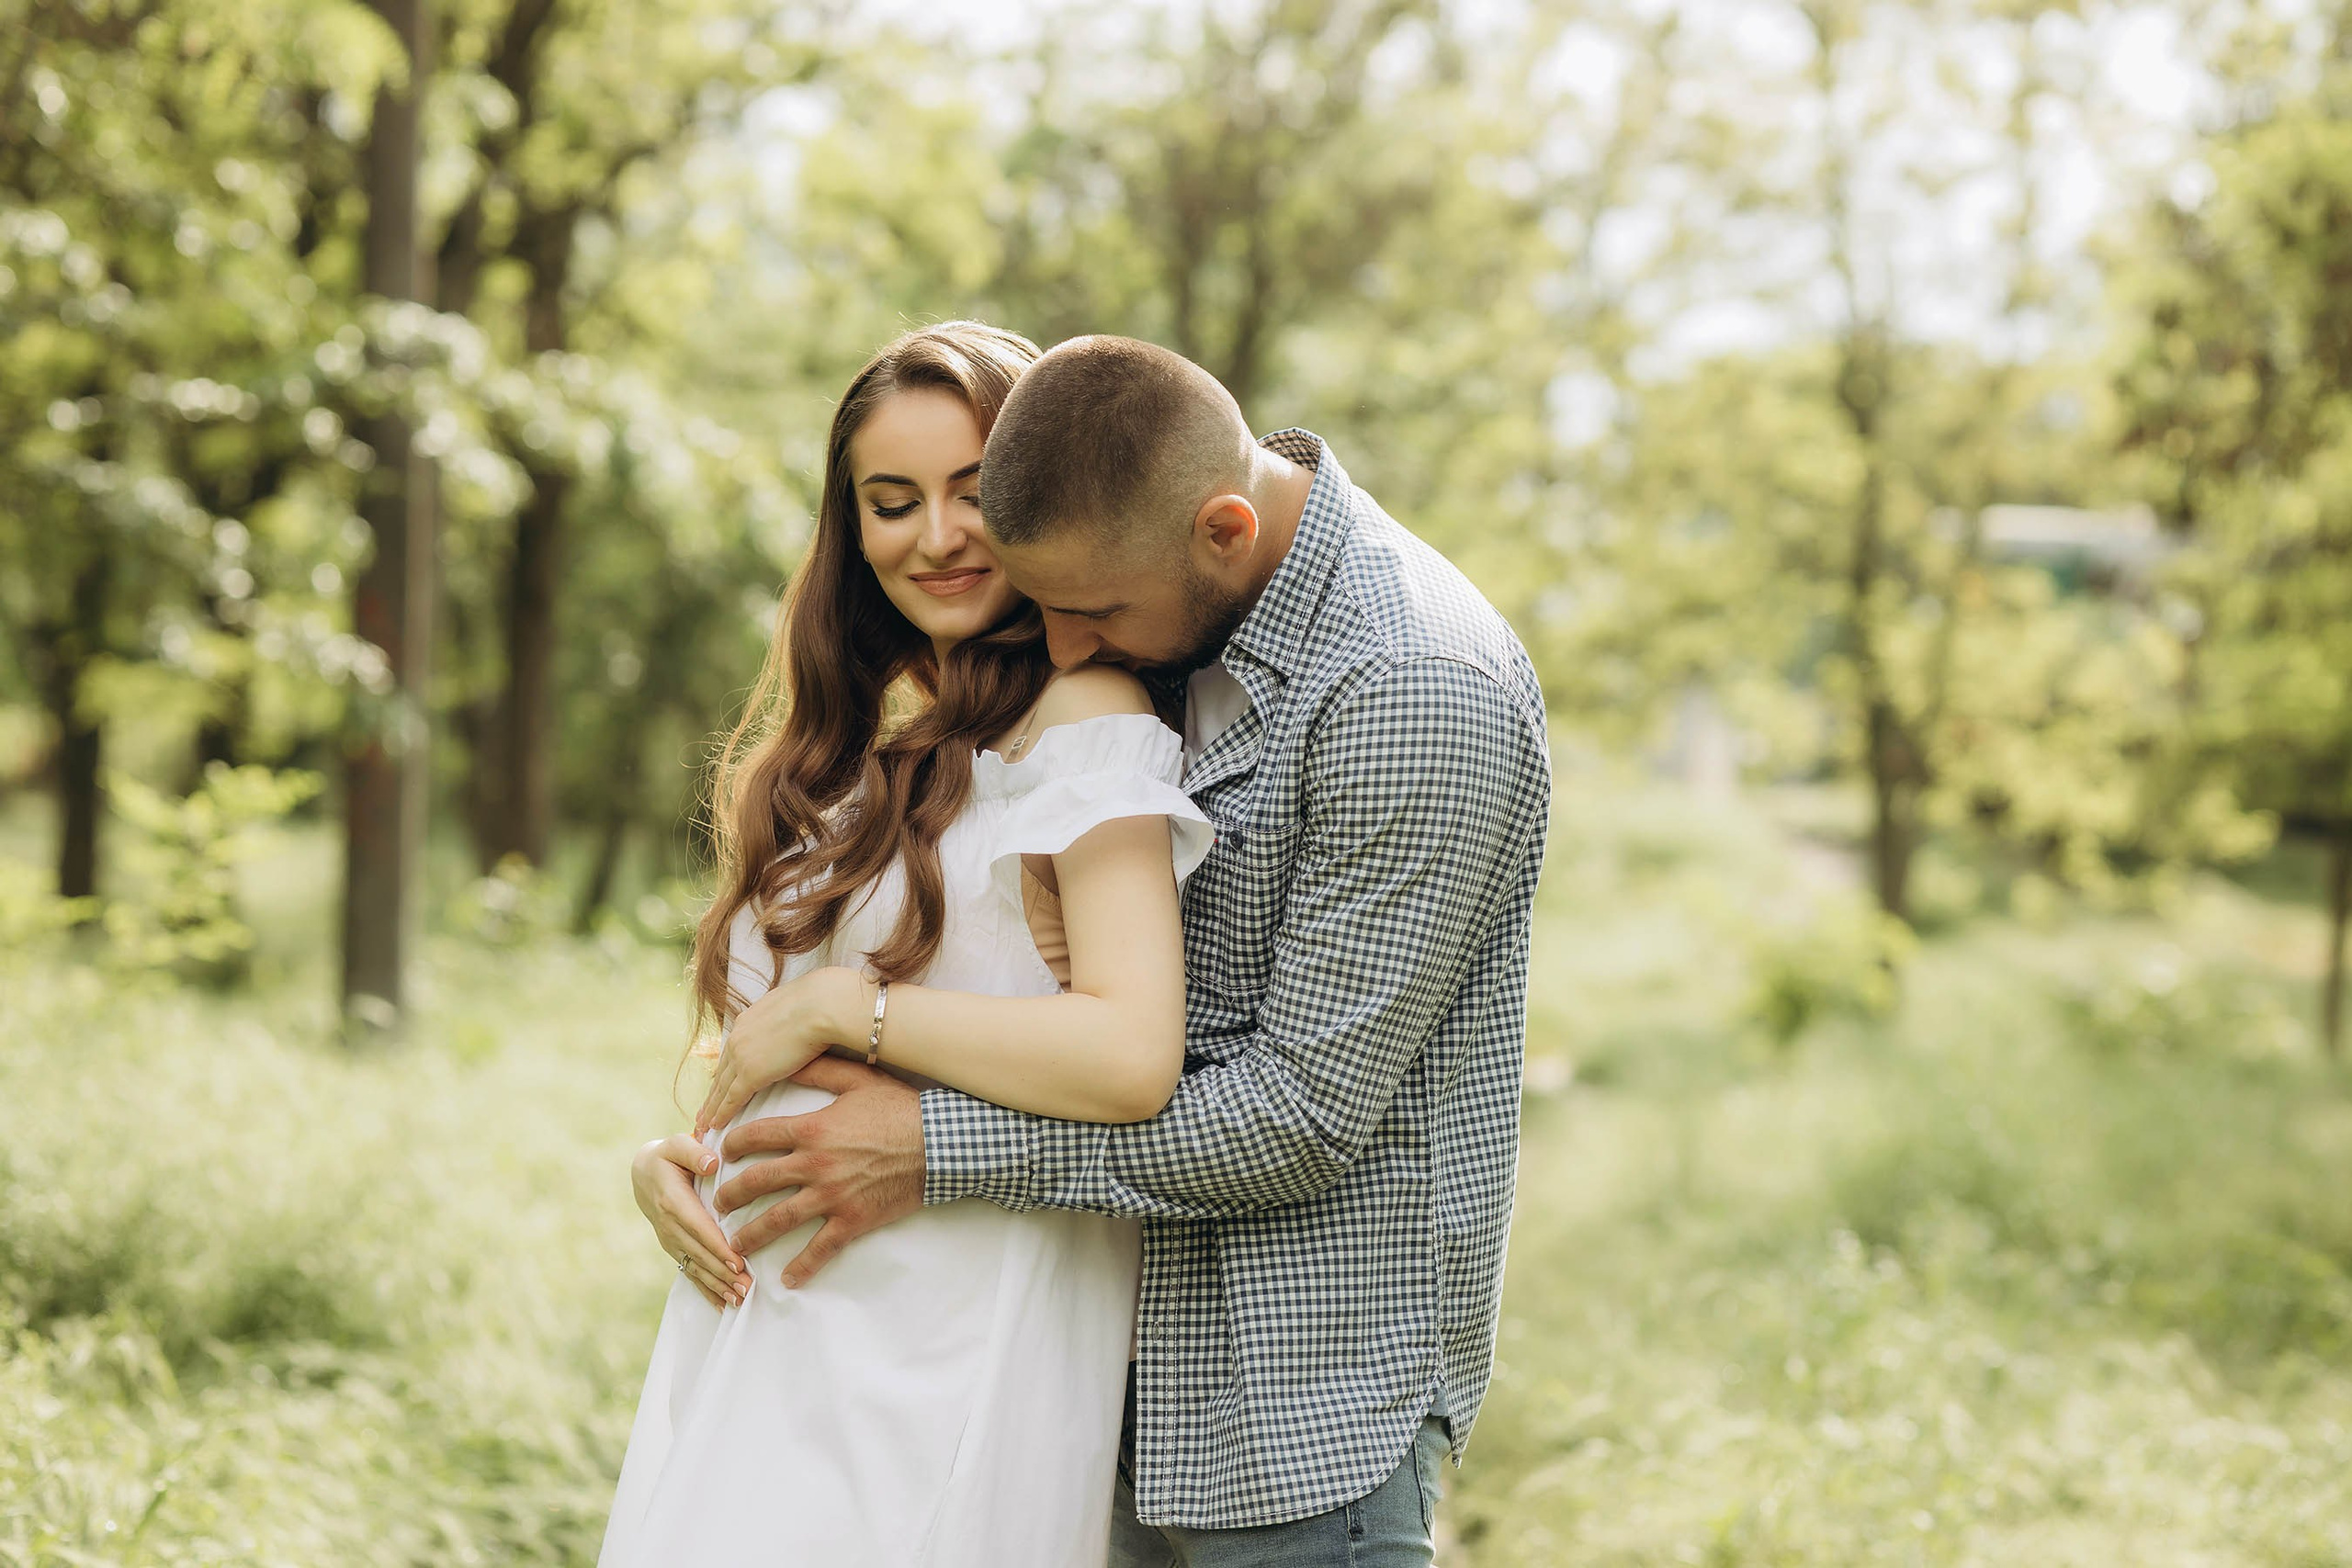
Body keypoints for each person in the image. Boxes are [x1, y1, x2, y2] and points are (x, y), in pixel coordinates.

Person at [706, 334, 1553, 1566]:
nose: (1058, 646)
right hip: (1105, 1385)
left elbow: (1297, 1116)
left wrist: (931, 1148)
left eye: (1088, 612)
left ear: (1221, 531)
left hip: (1296, 1416)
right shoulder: (1179, 607)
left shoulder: (1412, 690)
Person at [598, 321, 1213, 1568]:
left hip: (959, 1325)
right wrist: (679, 1158)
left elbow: (1132, 1052)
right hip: (772, 1310)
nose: (936, 536)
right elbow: (765, 1049)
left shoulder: (1084, 723)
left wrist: (846, 1015)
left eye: (976, 494)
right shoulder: (843, 755)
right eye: (892, 502)